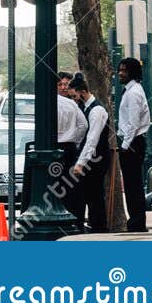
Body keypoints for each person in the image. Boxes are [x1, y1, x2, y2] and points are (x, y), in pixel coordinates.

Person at [69, 73, 111, 234]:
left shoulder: (96, 111)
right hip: (93, 157)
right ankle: (96, 224)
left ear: (83, 92)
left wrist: (81, 163)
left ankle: (99, 226)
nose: (74, 99)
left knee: (94, 193)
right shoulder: (87, 108)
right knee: (91, 192)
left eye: (75, 96)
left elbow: (92, 139)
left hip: (97, 158)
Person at [117, 57, 151, 234]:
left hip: (133, 143)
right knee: (131, 185)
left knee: (133, 185)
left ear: (132, 72)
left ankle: (137, 221)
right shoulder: (131, 91)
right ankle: (136, 220)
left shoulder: (133, 93)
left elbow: (133, 122)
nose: (120, 73)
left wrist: (124, 145)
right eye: (120, 70)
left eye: (124, 70)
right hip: (132, 142)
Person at [56, 71, 88, 213]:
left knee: (56, 185)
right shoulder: (72, 104)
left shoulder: (48, 102)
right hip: (69, 147)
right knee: (71, 185)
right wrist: (75, 140)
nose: (63, 87)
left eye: (66, 85)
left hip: (54, 148)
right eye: (60, 84)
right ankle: (73, 215)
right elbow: (84, 125)